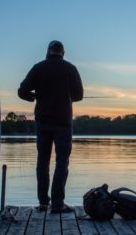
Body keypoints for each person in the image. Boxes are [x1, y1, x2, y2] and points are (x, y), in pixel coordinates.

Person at [18, 40, 83, 213]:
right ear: (63, 52)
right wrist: (67, 95)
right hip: (63, 122)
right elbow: (79, 95)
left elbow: (22, 91)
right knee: (62, 162)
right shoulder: (71, 68)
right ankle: (57, 203)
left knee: (43, 162)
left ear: (48, 51)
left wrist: (32, 96)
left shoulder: (38, 67)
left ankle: (43, 202)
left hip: (43, 121)